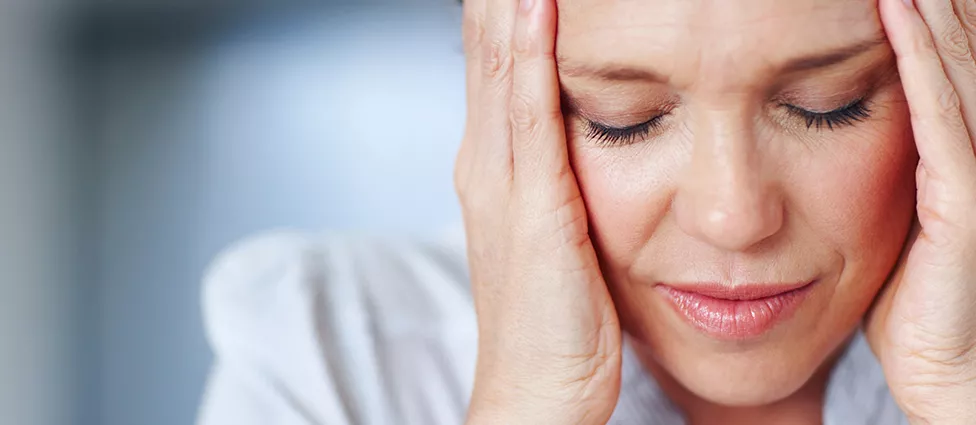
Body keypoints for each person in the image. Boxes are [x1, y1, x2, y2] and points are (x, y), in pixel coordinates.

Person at [196, 0, 976, 424]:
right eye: (623, 118)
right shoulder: (332, 362)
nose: (734, 216)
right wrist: (532, 408)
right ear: (499, 91)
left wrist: (960, 388)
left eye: (826, 107)